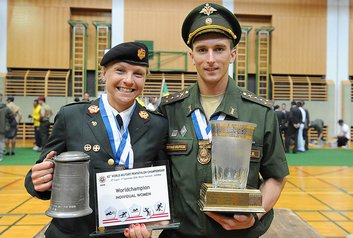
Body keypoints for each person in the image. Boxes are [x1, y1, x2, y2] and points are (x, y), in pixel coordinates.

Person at [156, 3, 288, 238]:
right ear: (191, 56)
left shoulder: (260, 112)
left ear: (232, 54)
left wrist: (254, 217)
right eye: (202, 50)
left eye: (219, 49)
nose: (210, 59)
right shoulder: (170, 110)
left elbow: (275, 177)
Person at [24, 42, 168, 238]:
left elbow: (163, 182)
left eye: (138, 74)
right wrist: (39, 180)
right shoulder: (72, 117)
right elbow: (42, 168)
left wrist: (151, 220)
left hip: (126, 234)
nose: (128, 80)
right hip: (74, 233)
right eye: (120, 70)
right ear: (103, 74)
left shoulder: (157, 125)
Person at [0, 94, 15, 161]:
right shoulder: (6, 107)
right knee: (2, 141)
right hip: (3, 127)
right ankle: (1, 155)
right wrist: (7, 123)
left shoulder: (6, 107)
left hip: (3, 127)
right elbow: (12, 116)